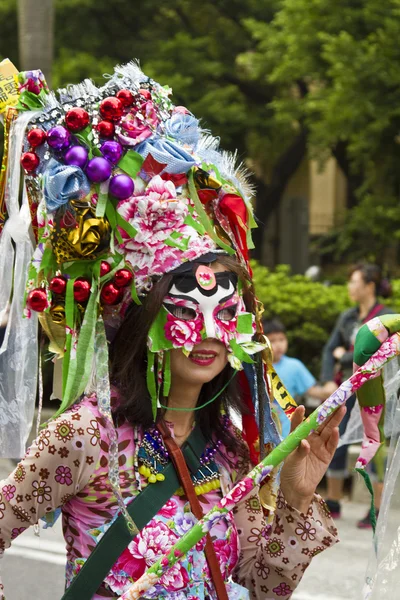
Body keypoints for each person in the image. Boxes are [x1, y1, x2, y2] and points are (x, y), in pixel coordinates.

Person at [0, 61, 344, 600]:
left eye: (225, 314)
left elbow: (265, 583)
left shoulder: (232, 448)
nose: (209, 332)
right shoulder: (87, 435)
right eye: (186, 312)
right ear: (145, 321)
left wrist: (298, 496)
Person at [320, 263, 393, 527]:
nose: (350, 286)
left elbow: (373, 354)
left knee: (373, 445)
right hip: (345, 388)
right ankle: (334, 501)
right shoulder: (347, 316)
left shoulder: (385, 316)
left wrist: (346, 356)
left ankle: (375, 509)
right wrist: (329, 379)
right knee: (335, 440)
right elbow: (330, 349)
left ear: (369, 286)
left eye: (354, 281)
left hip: (374, 391)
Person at [263, 318, 336, 402]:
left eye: (281, 339)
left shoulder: (294, 366)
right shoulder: (255, 367)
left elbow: (313, 391)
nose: (279, 345)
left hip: (287, 415)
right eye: (272, 341)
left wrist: (330, 391)